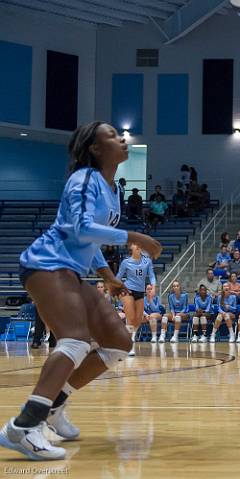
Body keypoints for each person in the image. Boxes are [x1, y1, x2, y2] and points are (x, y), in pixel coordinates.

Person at [0, 121, 162, 461]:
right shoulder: (84, 179)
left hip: (70, 269)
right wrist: (135, 237)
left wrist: (106, 274)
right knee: (74, 340)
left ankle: (54, 406)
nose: (121, 138)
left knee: (119, 342)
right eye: (112, 135)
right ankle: (23, 427)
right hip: (46, 263)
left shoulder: (111, 187)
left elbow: (89, 240)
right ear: (95, 148)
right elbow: (81, 228)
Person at [116, 242, 157, 353]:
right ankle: (130, 343)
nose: (138, 246)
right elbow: (118, 277)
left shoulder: (147, 261)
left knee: (138, 319)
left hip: (140, 292)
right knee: (130, 317)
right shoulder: (126, 262)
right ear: (131, 248)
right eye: (135, 244)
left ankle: (129, 336)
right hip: (128, 291)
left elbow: (152, 276)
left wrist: (153, 287)